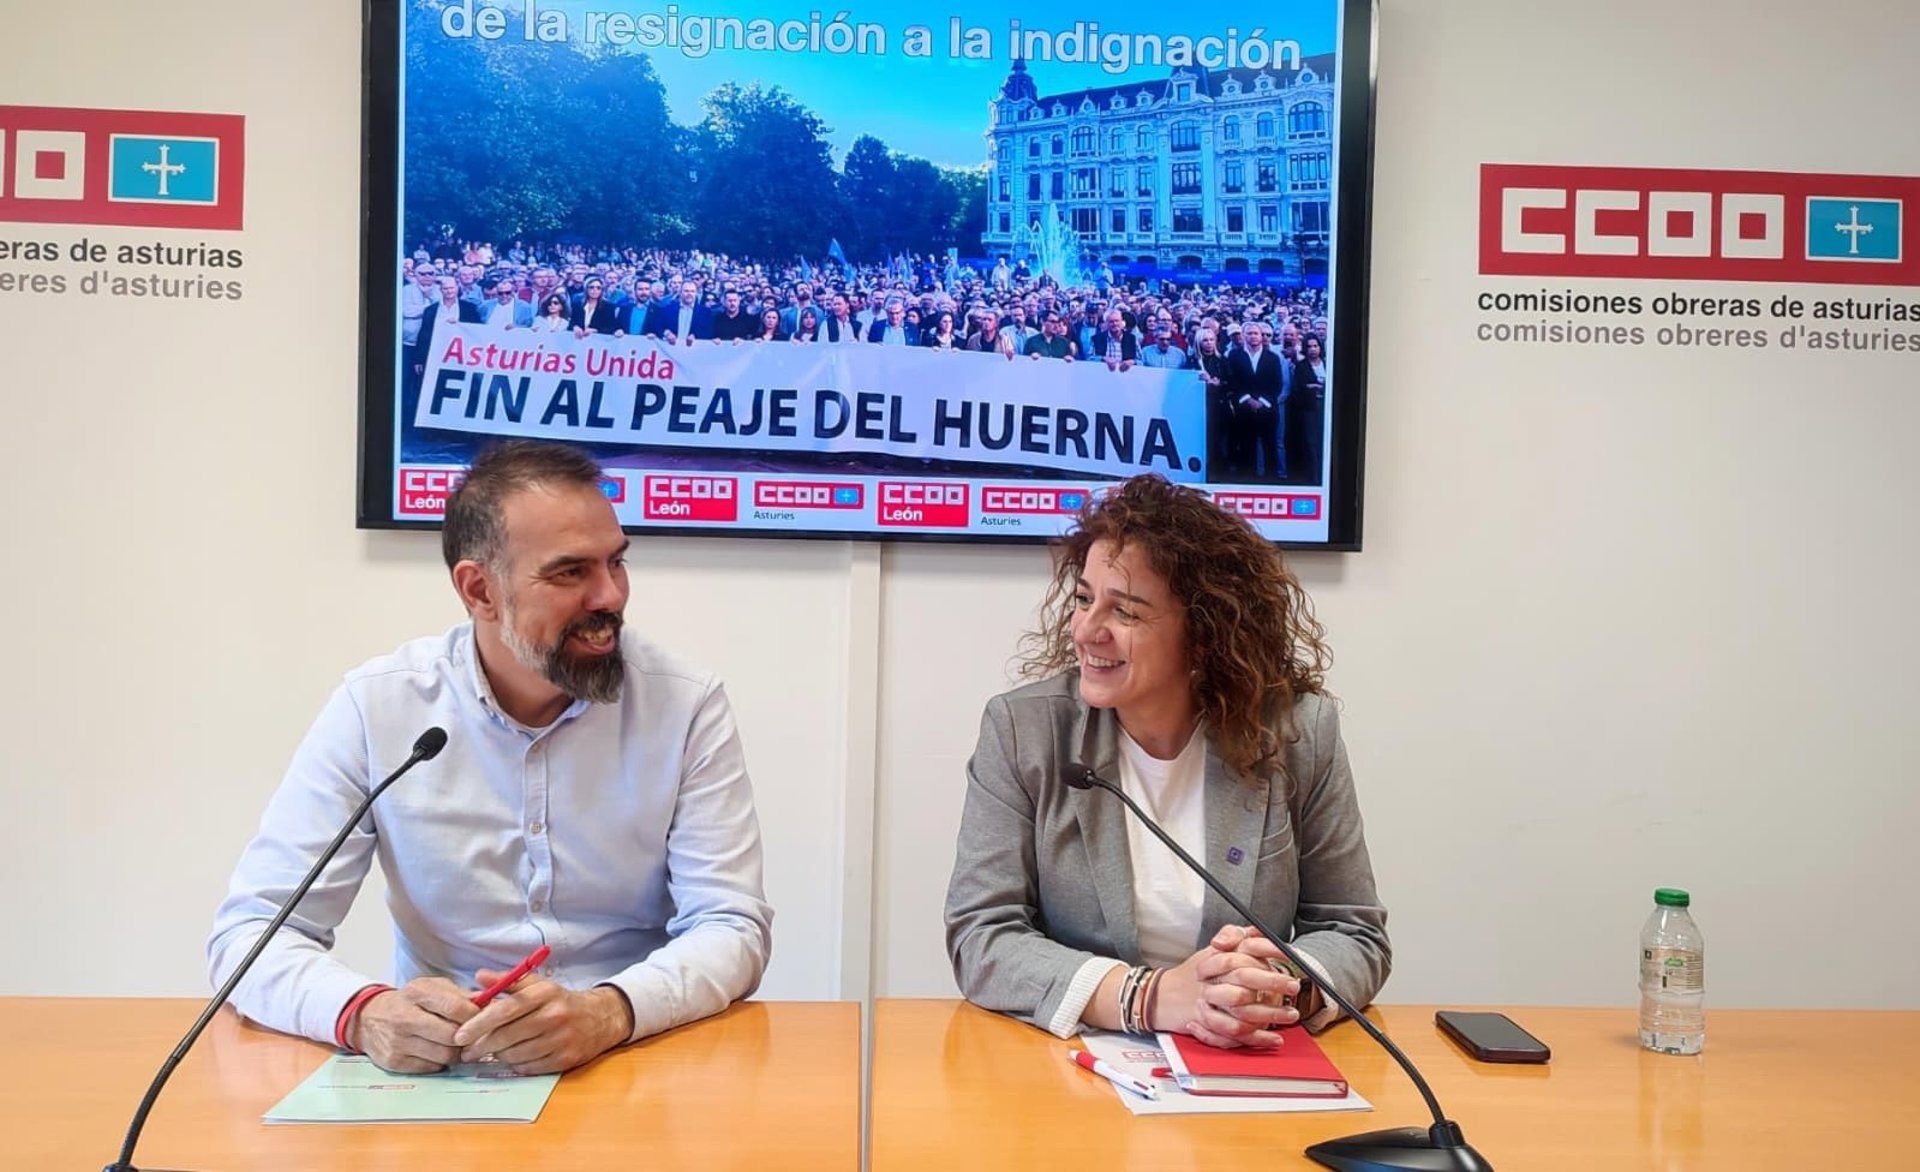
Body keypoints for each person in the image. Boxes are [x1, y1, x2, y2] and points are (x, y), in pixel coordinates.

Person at [208, 441, 773, 1075]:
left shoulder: (685, 704)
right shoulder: (380, 708)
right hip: (445, 1065)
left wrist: (610, 1011)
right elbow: (250, 936)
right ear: (480, 590)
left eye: (616, 563)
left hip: (630, 1054)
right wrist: (364, 1014)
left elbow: (732, 926)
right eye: (570, 573)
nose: (609, 596)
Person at [945, 475, 1388, 1044]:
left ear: (1204, 634)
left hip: (1249, 1058)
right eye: (1083, 599)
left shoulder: (1297, 732)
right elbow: (981, 936)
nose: (1087, 630)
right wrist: (1148, 997)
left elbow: (1354, 931)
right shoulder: (1025, 731)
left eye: (1125, 612)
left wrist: (1274, 988)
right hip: (1076, 1062)